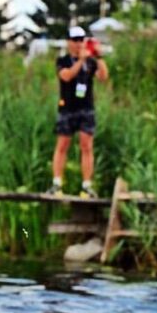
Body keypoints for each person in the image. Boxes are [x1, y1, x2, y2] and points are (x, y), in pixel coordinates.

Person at [50, 26, 109, 198]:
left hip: (86, 108)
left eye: (81, 40)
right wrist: (80, 61)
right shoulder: (62, 60)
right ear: (69, 42)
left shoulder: (91, 61)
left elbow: (103, 76)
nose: (78, 44)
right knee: (62, 145)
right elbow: (66, 76)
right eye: (75, 40)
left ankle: (87, 185)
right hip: (67, 107)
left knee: (86, 146)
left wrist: (98, 56)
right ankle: (57, 183)